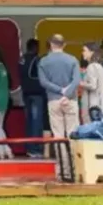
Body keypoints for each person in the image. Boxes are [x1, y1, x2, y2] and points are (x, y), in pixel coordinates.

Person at [38, 35, 80, 170]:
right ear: (64, 44)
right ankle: (75, 167)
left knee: (58, 135)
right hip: (70, 100)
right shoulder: (72, 59)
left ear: (50, 44)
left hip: (53, 101)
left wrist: (59, 90)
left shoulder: (43, 61)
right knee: (73, 133)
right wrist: (66, 93)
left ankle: (63, 169)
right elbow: (76, 80)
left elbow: (43, 82)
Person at [18, 38, 46, 156]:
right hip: (36, 94)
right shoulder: (36, 59)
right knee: (36, 122)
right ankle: (36, 149)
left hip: (25, 93)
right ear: (35, 48)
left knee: (29, 122)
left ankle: (29, 148)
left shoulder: (21, 59)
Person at [79, 42, 103, 124]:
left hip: (93, 107)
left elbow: (93, 85)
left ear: (91, 52)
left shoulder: (91, 67)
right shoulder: (99, 66)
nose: (82, 53)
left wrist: (79, 83)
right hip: (100, 107)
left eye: (84, 50)